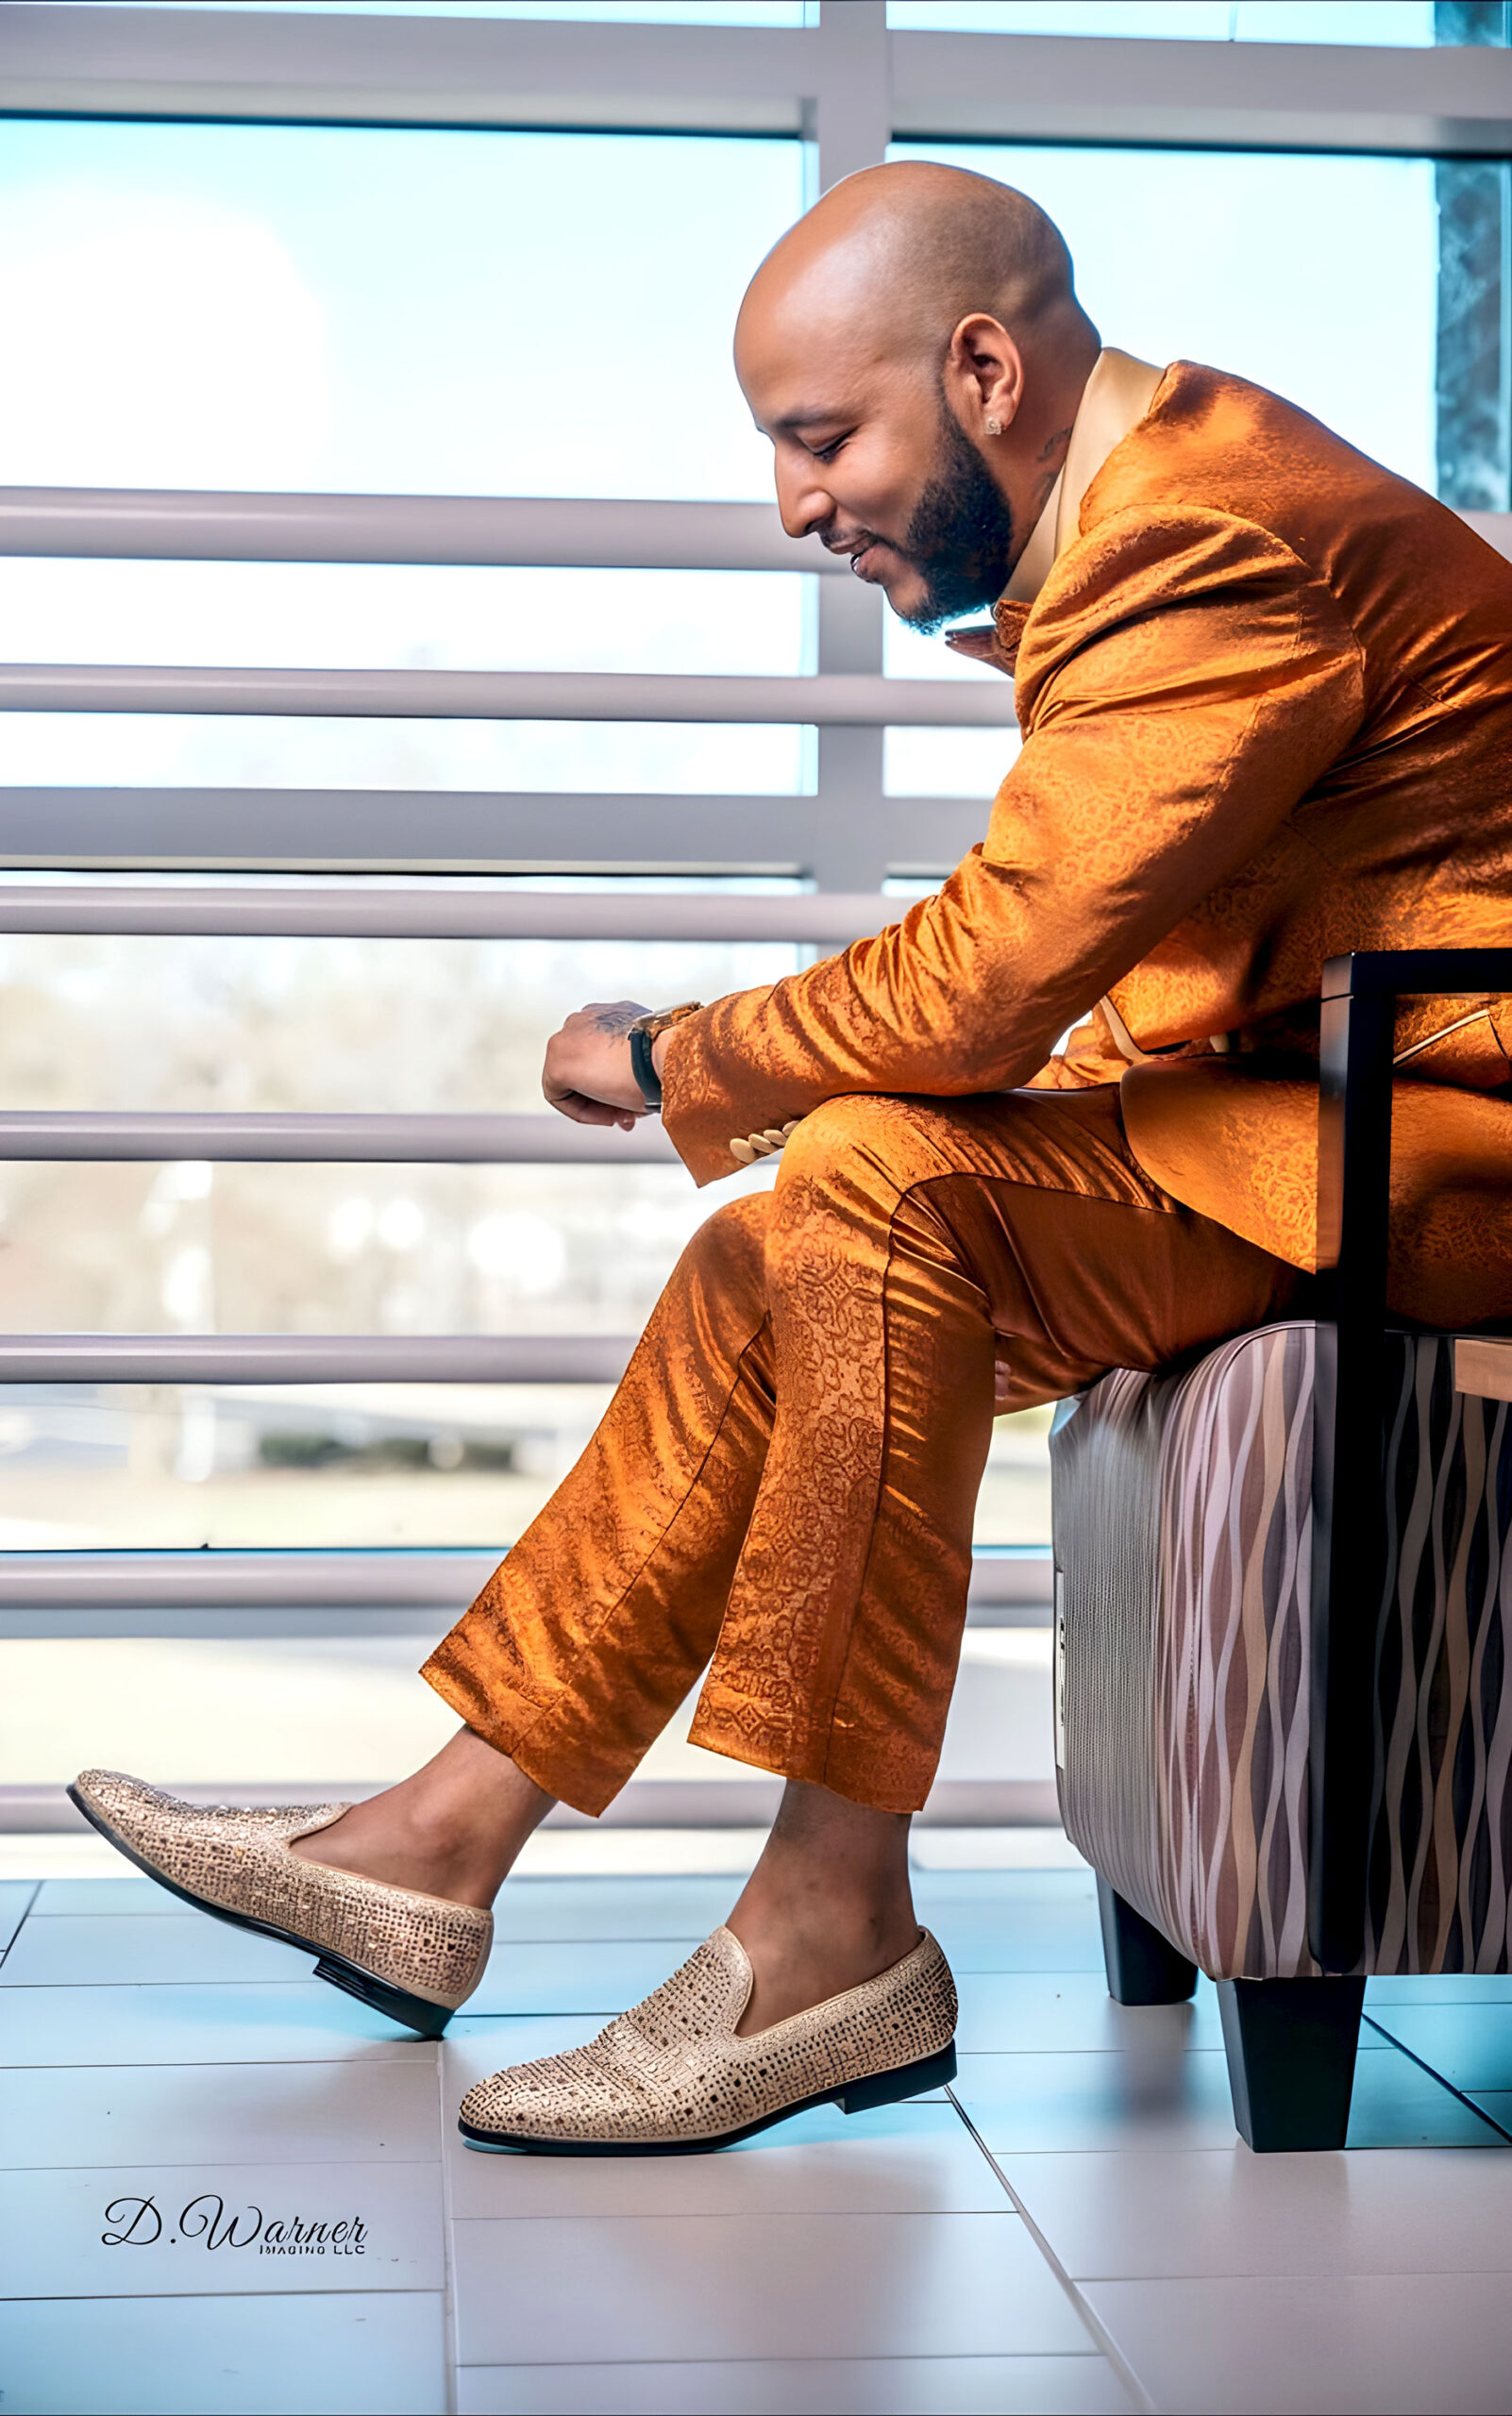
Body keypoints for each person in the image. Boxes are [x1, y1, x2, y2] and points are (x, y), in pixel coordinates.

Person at [73, 160, 1512, 2155]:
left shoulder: (1207, 535)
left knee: (868, 1174)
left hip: (1433, 1177)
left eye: (821, 436)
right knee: (777, 1250)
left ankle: (832, 1926)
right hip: (1290, 1131)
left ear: (984, 369)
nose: (789, 501)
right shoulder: (1152, 509)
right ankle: (437, 1843)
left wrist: (679, 1052)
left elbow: (988, 978)